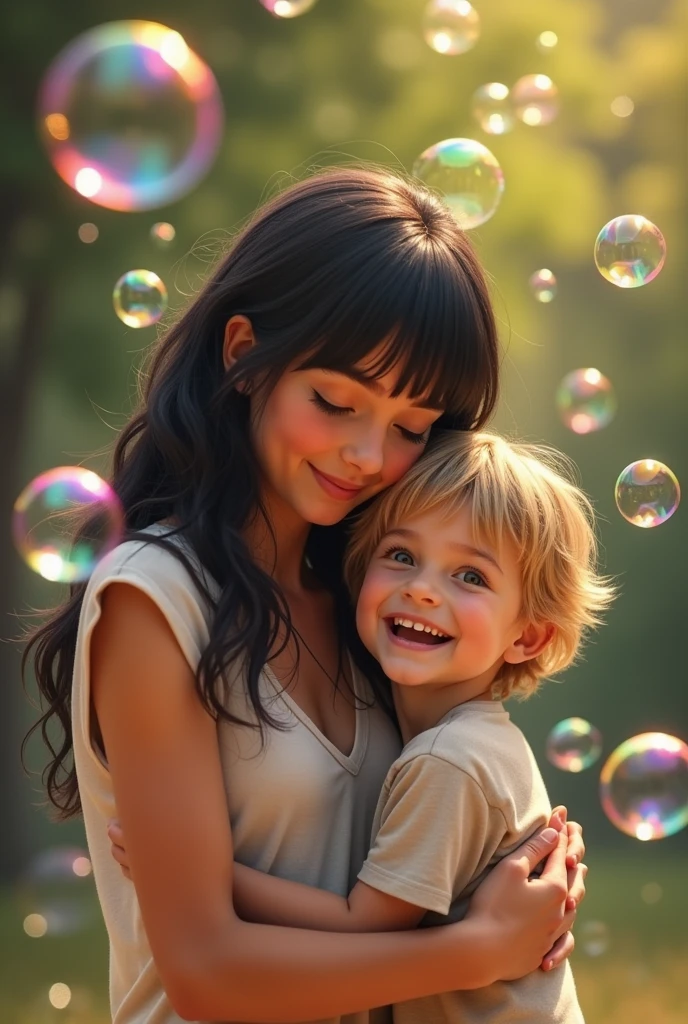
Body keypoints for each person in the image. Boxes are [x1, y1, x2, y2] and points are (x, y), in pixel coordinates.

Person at [24, 168, 587, 1024]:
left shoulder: (376, 603)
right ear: (245, 354)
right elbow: (206, 974)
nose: (367, 454)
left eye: (410, 428)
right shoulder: (156, 598)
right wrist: (478, 948)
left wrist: (531, 866)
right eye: (335, 401)